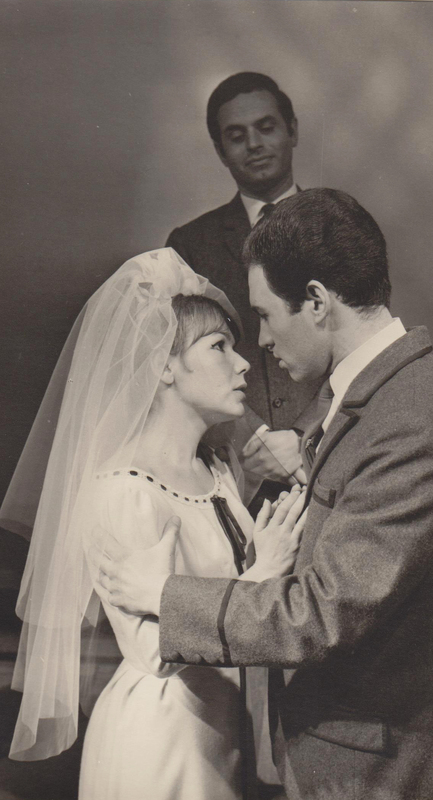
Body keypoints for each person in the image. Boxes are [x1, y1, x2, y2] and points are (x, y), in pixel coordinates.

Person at [95, 190, 433, 800]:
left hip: (383, 772)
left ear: (316, 301)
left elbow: (324, 612)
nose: (259, 342)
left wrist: (163, 595)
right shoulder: (378, 399)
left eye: (264, 315)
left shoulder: (411, 420)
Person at [0, 248, 306, 800]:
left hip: (223, 731)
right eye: (218, 347)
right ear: (163, 366)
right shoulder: (122, 490)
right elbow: (152, 654)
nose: (242, 364)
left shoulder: (216, 471)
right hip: (163, 741)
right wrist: (264, 573)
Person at [166, 72, 323, 492]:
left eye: (266, 127)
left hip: (328, 454)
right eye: (236, 136)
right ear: (221, 151)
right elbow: (182, 357)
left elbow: (361, 342)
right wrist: (256, 442)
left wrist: (304, 436)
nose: (254, 144)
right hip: (237, 466)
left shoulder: (337, 225)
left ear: (292, 131)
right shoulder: (190, 244)